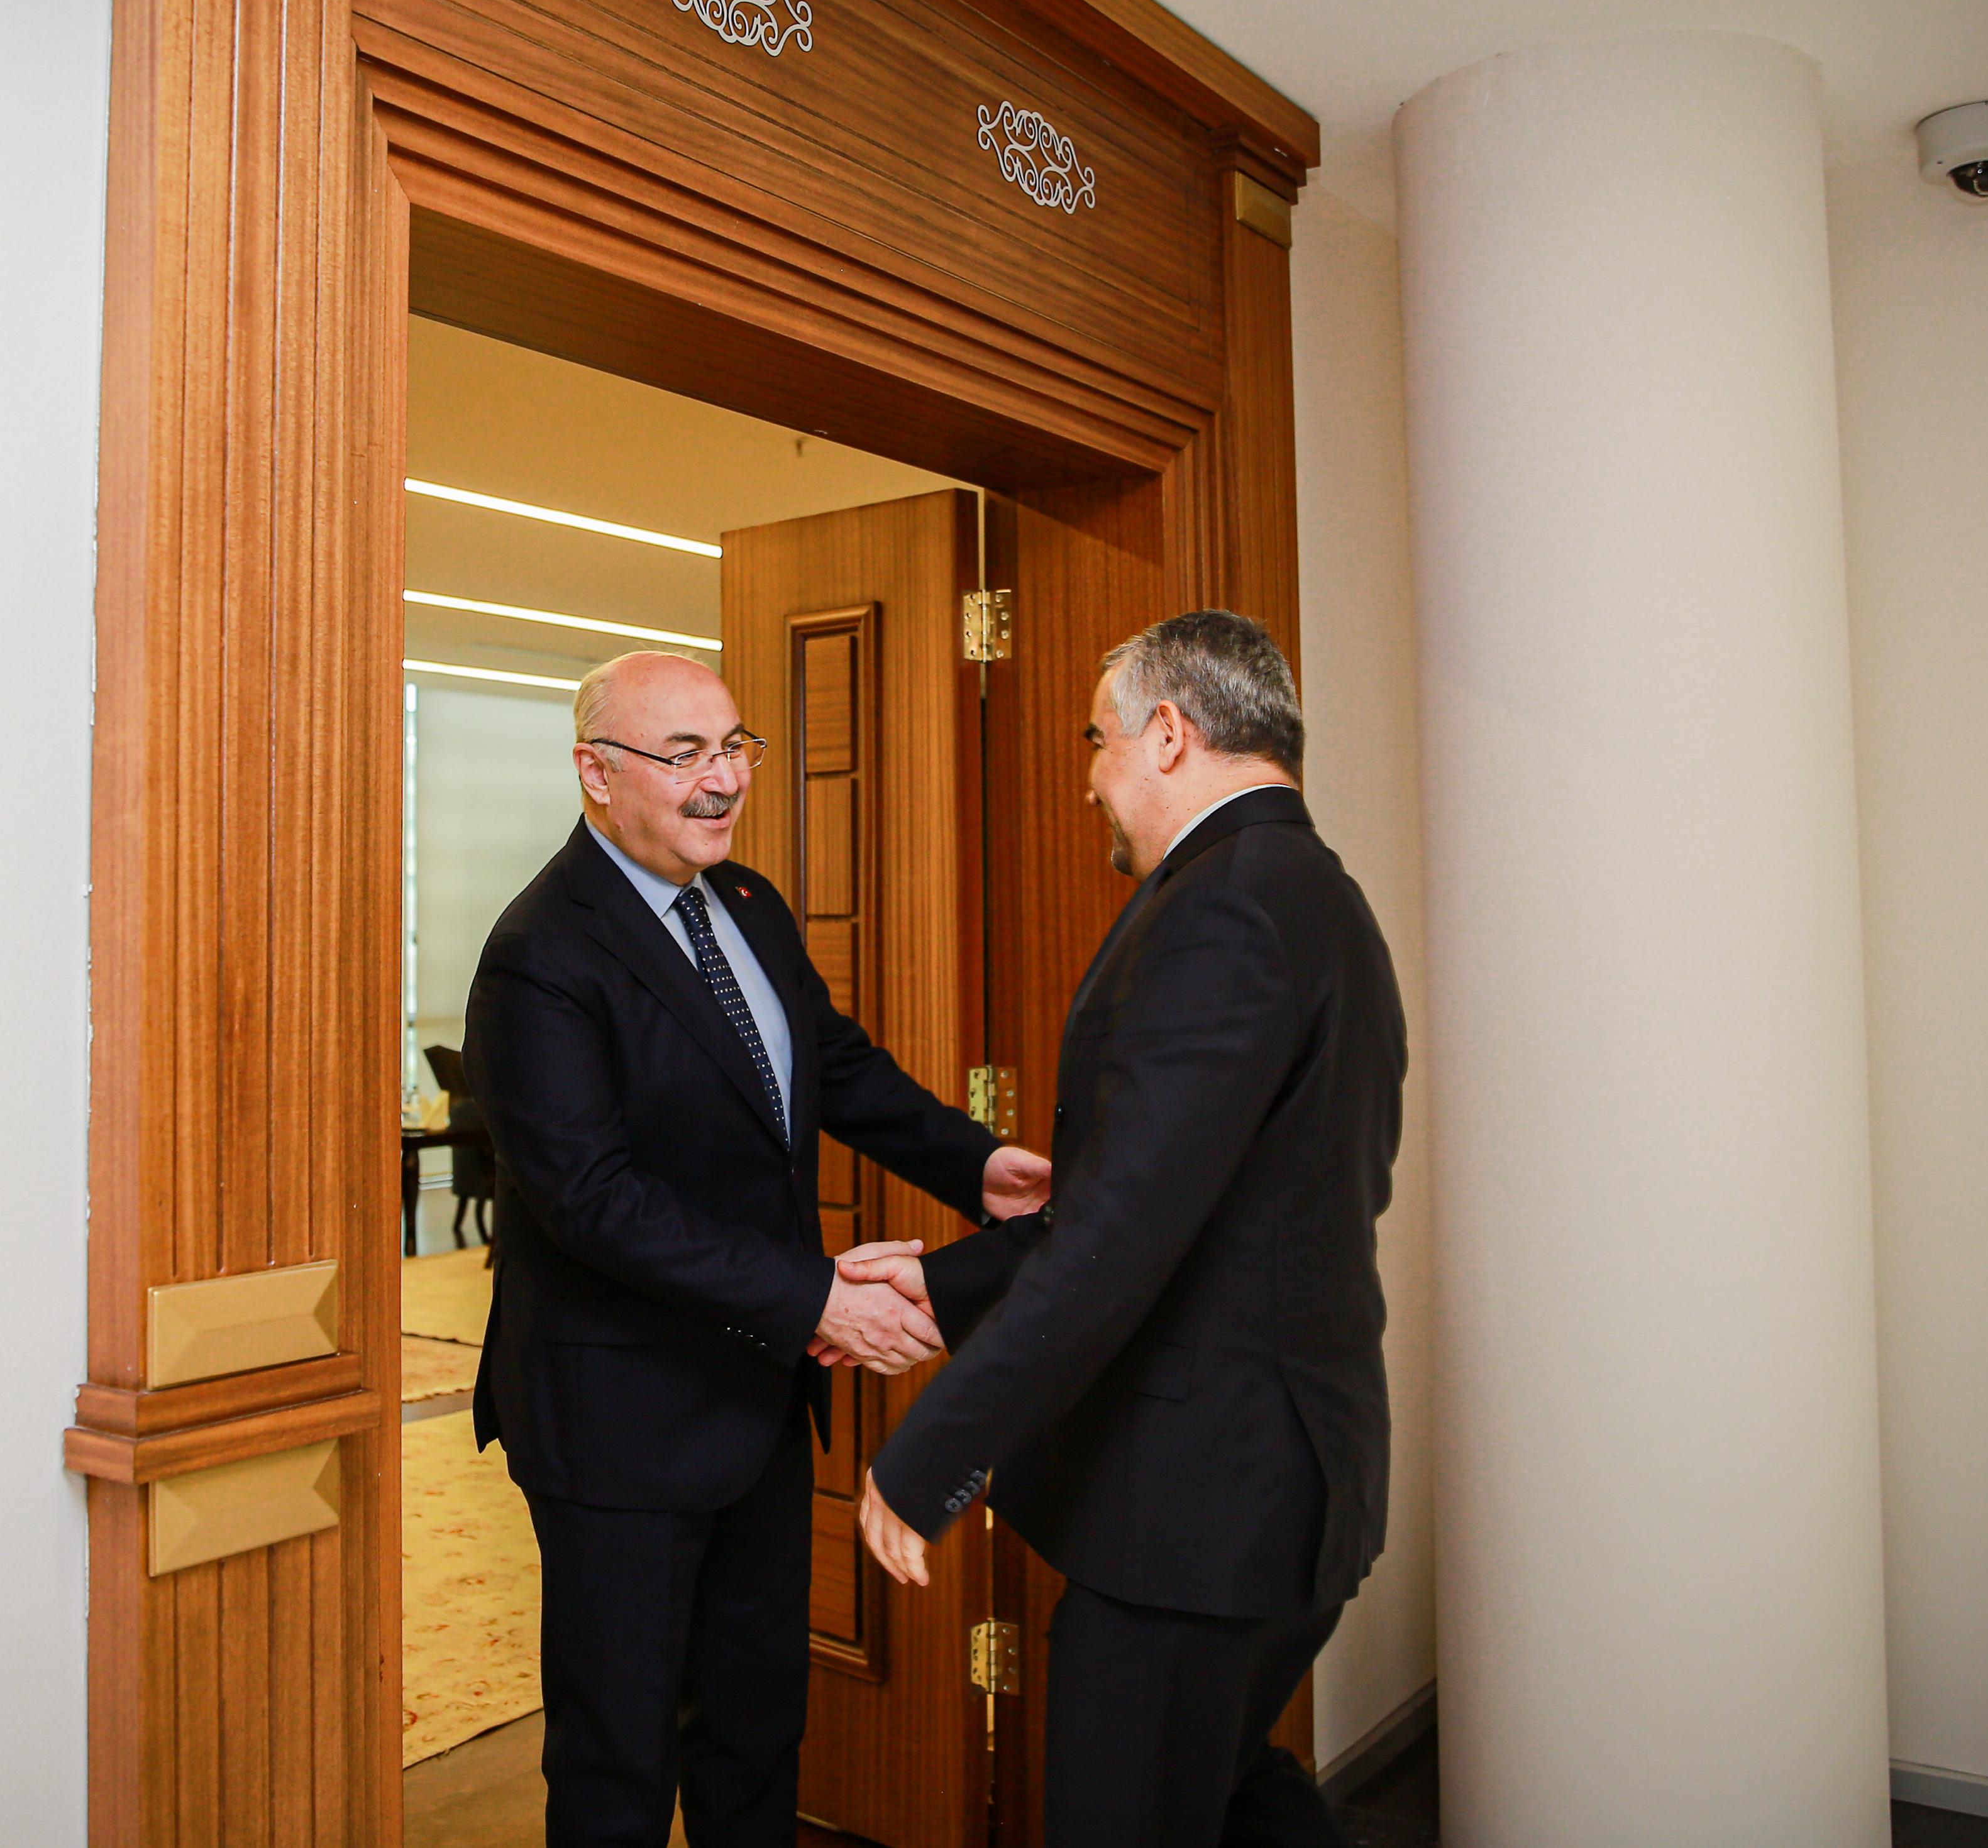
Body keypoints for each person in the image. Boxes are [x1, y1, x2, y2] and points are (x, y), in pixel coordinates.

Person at [464, 649, 1049, 1848]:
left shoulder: (746, 900)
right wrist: (817, 1297)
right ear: (596, 773)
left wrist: (975, 1164)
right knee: (618, 1763)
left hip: (756, 1400)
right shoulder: (541, 951)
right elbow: (593, 1201)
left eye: (734, 746)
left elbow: (835, 1066)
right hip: (617, 1423)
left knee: (754, 1733)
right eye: (684, 754)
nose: (724, 778)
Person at [845, 611, 1406, 1848]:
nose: (1090, 779)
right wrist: (941, 1287)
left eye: (1096, 741)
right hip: (1276, 1480)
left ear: (1167, 734)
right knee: (1226, 1795)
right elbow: (1208, 1209)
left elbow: (1126, 1236)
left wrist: (930, 1453)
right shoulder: (1314, 894)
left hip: (1197, 1508)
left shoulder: (1222, 909)